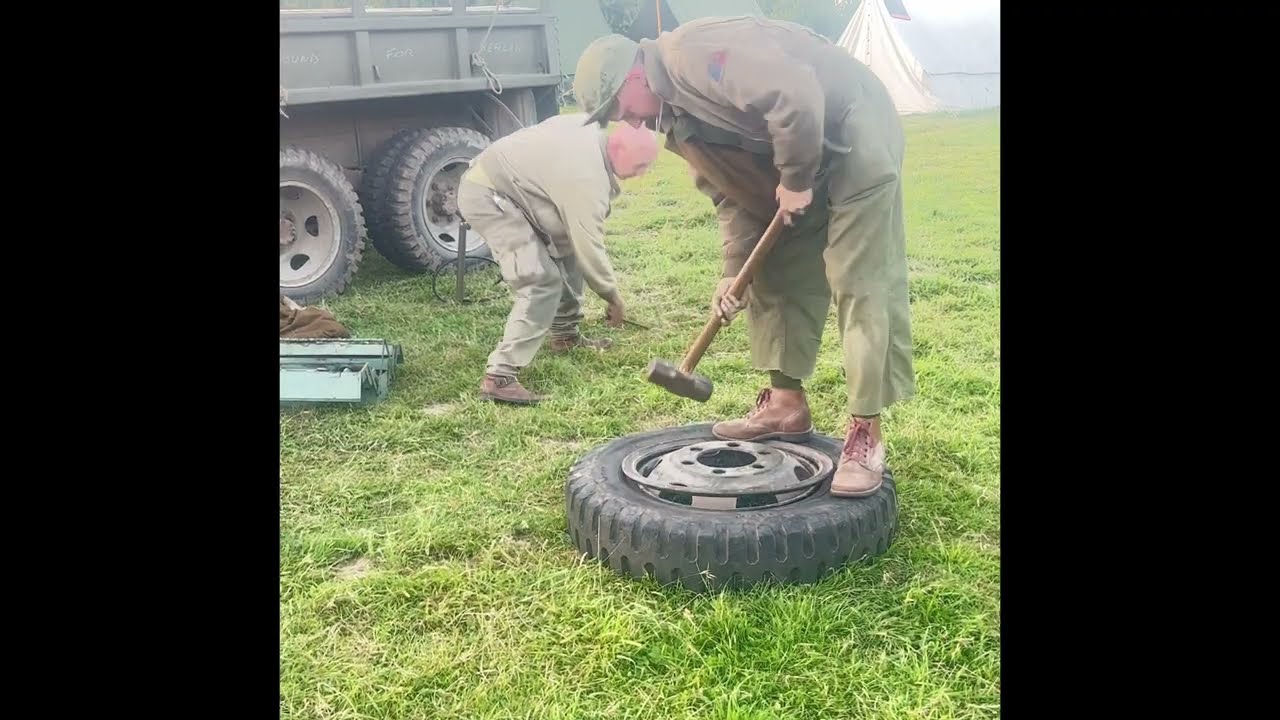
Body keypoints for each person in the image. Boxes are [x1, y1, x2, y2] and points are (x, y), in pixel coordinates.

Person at [572, 16, 915, 497]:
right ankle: (785, 405)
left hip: (852, 127)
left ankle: (865, 434)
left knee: (858, 278)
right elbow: (732, 196)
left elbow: (794, 94)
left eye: (618, 108)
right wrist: (734, 276)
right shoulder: (676, 122)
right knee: (772, 271)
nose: (624, 120)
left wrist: (795, 180)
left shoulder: (693, 54)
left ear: (633, 75)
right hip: (799, 151)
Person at [457, 112, 659, 405]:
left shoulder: (591, 130)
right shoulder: (585, 176)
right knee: (540, 280)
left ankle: (565, 334)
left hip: (517, 190)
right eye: (640, 165)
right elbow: (589, 245)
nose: (642, 174)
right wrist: (613, 297)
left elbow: (576, 245)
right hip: (488, 194)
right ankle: (499, 377)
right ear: (617, 149)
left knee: (568, 251)